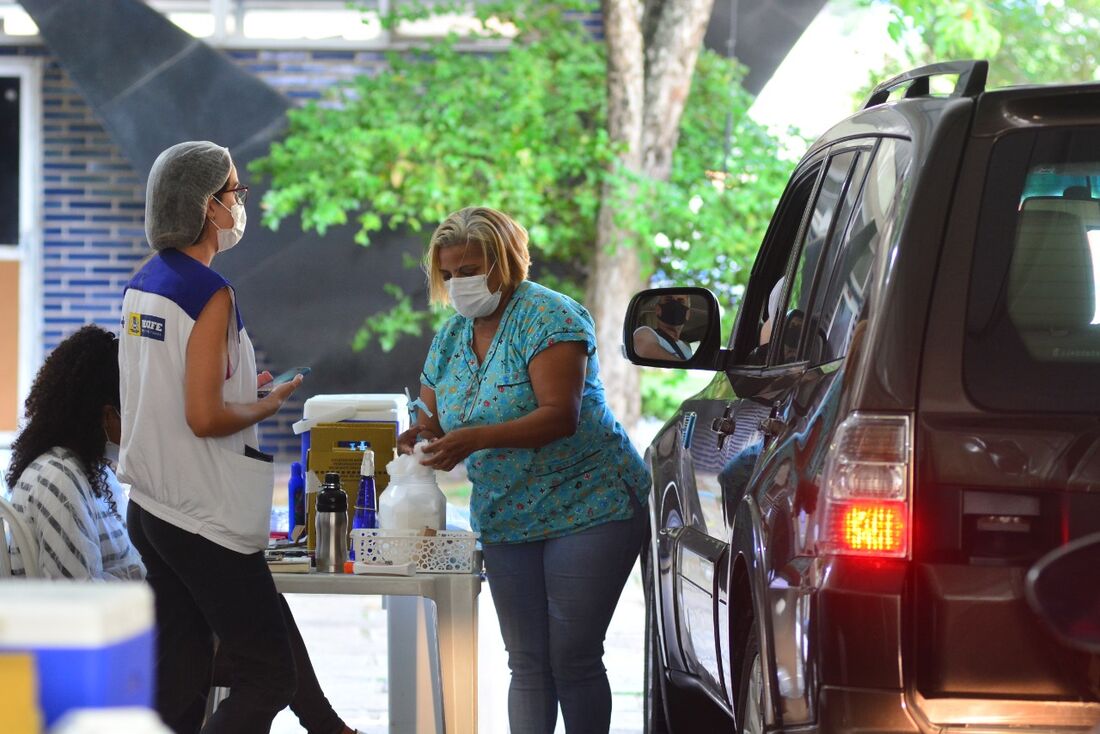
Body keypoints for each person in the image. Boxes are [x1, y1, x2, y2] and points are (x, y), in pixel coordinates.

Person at [4, 325, 356, 734]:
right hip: (112, 649)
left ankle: (331, 729)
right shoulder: (58, 478)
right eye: (138, 409)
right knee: (265, 656)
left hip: (146, 629)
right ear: (105, 413)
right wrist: (157, 581)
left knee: (262, 624)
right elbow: (77, 598)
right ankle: (331, 729)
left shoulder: (91, 470)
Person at [117, 141, 352, 734]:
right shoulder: (209, 294)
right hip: (202, 515)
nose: (240, 203)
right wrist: (266, 405)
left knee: (182, 675)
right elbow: (202, 417)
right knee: (268, 675)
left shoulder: (147, 283)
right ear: (205, 206)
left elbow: (173, 388)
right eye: (234, 192)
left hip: (151, 507)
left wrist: (245, 387)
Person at [397, 206, 650, 734]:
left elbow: (559, 416)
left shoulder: (549, 317)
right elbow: (431, 417)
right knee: (527, 661)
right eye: (448, 273)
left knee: (573, 656)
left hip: (589, 503)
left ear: (505, 262)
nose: (459, 283)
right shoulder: (450, 338)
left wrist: (474, 439)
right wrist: (422, 437)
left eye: (470, 269)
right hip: (507, 513)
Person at [632, 294, 694, 361]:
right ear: (658, 310)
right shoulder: (645, 332)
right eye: (668, 300)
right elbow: (644, 349)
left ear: (687, 314)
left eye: (680, 302)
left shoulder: (687, 348)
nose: (675, 305)